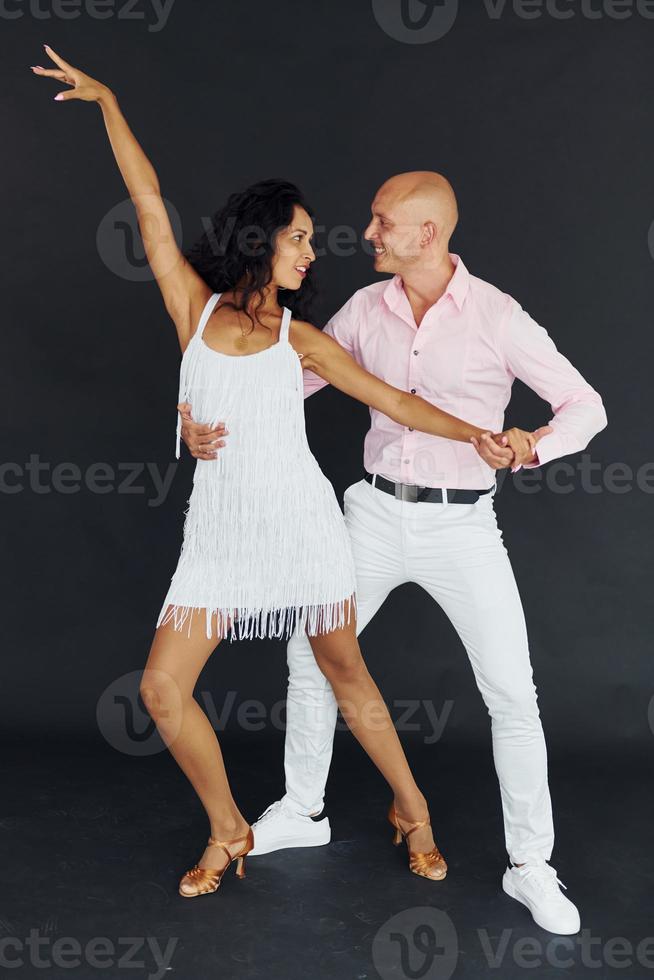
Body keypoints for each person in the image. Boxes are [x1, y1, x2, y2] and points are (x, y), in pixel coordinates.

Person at [32, 50, 542, 899]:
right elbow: (149, 207)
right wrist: (109, 102)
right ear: (263, 241)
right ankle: (229, 826)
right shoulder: (194, 312)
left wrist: (483, 435)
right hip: (220, 536)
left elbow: (398, 402)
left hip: (302, 526)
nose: (315, 251)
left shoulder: (300, 338)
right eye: (301, 238)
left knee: (345, 672)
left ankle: (412, 808)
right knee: (162, 691)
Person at [181, 171, 607, 933]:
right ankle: (303, 809)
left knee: (513, 693)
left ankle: (530, 866)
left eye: (382, 223)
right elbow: (279, 379)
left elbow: (587, 407)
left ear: (428, 235)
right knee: (311, 662)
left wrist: (533, 445)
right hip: (369, 513)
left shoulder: (499, 317)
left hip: (462, 524)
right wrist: (200, 417)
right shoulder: (360, 311)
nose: (366, 234)